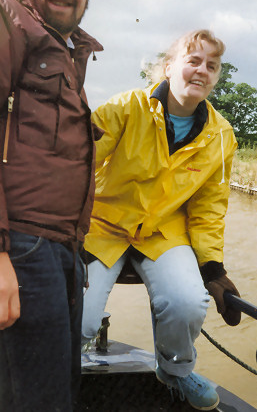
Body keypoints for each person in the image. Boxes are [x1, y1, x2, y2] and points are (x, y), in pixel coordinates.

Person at [82, 29, 241, 411]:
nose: (202, 70)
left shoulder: (222, 137)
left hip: (163, 232)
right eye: (194, 60)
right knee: (79, 316)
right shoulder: (127, 107)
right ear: (169, 67)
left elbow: (208, 209)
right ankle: (61, 366)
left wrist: (213, 269)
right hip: (103, 224)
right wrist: (63, 229)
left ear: (216, 77)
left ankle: (175, 371)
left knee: (187, 302)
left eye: (212, 66)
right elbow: (79, 162)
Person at [0, 0, 103, 410]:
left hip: (59, 246)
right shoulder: (6, 14)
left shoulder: (64, 42)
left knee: (56, 390)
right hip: (22, 245)